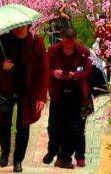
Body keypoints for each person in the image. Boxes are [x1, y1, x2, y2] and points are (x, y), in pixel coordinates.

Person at [0, 24, 49, 172]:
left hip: (27, 90)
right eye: (16, 26)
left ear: (28, 25)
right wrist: (2, 64)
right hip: (6, 88)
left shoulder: (37, 41)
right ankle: (5, 151)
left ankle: (18, 160)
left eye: (22, 25)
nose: (18, 28)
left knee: (23, 126)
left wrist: (41, 97)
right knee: (3, 122)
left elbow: (43, 70)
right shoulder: (4, 39)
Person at [43, 26, 91, 169]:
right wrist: (54, 73)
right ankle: (55, 152)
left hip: (77, 95)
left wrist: (74, 75)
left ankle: (67, 157)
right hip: (58, 94)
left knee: (74, 128)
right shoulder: (53, 51)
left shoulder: (82, 52)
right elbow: (45, 68)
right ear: (62, 39)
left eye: (71, 42)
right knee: (55, 126)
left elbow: (87, 71)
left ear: (75, 40)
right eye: (66, 42)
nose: (69, 45)